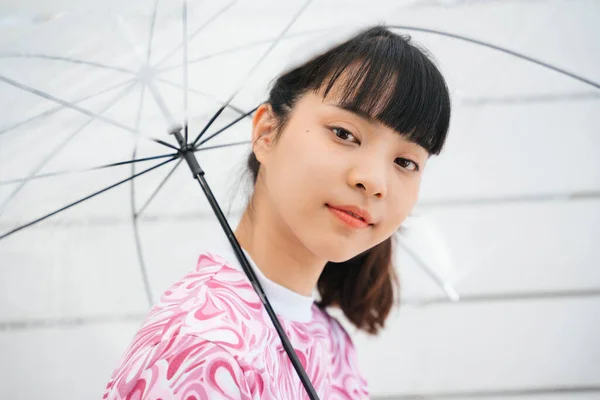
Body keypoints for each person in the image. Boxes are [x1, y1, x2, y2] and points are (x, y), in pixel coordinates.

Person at [103, 25, 450, 399]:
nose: (374, 181)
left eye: (405, 161)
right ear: (267, 132)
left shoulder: (330, 340)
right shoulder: (203, 348)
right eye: (345, 133)